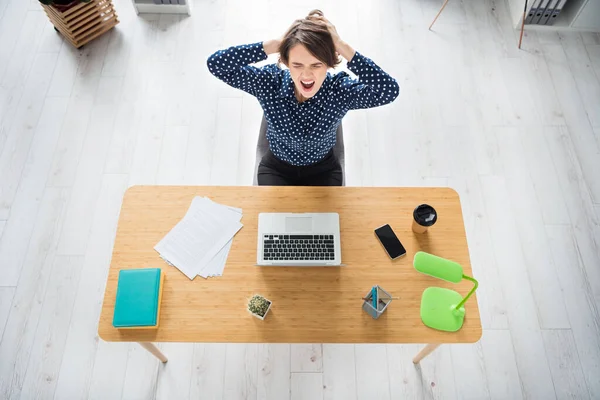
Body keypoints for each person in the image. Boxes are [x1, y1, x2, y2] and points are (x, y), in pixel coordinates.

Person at [207, 10, 399, 186]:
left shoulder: (340, 91)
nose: (307, 76)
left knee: (326, 222)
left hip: (324, 170)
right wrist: (275, 45)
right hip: (276, 169)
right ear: (286, 62)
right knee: (272, 221)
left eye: (316, 65)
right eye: (297, 65)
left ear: (329, 63)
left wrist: (341, 46)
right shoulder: (269, 83)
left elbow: (389, 91)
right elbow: (216, 64)